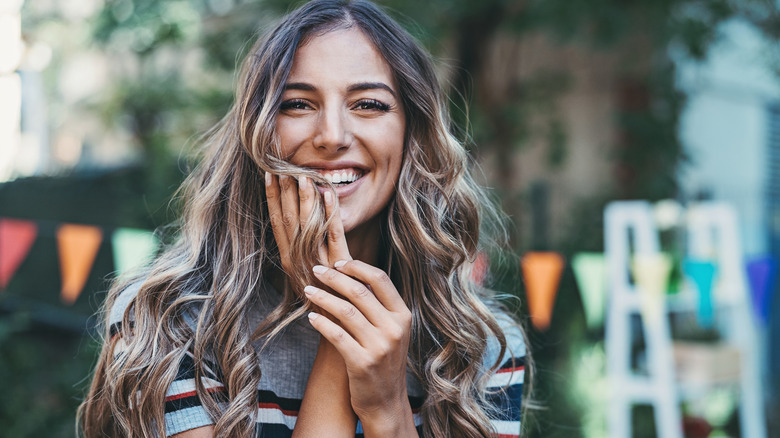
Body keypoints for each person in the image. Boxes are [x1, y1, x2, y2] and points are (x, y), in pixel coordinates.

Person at [78, 1, 528, 437]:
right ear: (258, 132)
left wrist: (387, 409)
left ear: (414, 133)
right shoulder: (168, 321)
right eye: (297, 104)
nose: (332, 136)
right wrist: (337, 317)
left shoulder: (484, 347)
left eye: (368, 104)